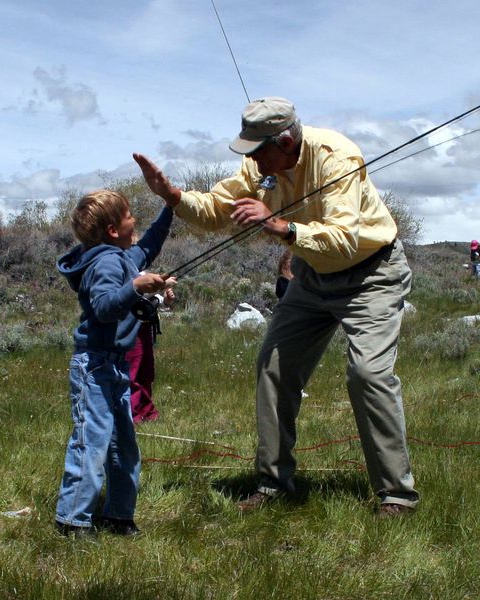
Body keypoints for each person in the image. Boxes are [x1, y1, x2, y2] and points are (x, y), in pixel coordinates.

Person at [133, 96, 419, 517]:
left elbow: (343, 237)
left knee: (368, 374)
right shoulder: (260, 163)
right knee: (273, 366)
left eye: (257, 150)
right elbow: (217, 210)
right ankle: (273, 482)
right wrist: (174, 196)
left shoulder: (337, 157)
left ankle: (397, 495)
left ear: (285, 142)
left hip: (370, 274)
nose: (251, 160)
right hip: (311, 275)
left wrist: (278, 225)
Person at [55, 190, 175, 538]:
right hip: (93, 366)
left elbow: (149, 245)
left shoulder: (122, 256)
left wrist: (171, 206)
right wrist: (136, 286)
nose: (134, 220)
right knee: (90, 441)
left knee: (123, 443)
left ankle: (118, 515)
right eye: (128, 216)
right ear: (112, 229)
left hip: (116, 366)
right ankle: (72, 519)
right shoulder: (106, 264)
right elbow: (105, 308)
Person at [126, 286, 175, 423]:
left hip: (145, 327)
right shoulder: (124, 268)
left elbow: (150, 299)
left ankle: (147, 412)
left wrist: (165, 300)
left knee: (146, 373)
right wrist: (162, 283)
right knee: (133, 373)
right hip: (130, 329)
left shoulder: (142, 270)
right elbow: (136, 291)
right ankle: (133, 414)